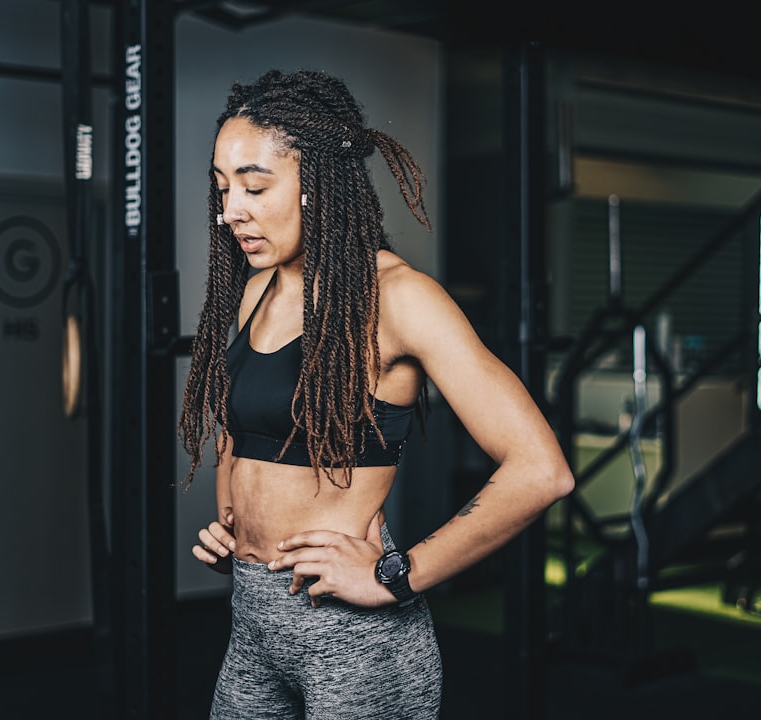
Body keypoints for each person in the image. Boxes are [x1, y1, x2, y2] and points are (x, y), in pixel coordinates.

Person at [179, 68, 574, 720]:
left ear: (318, 185)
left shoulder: (399, 298)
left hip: (352, 639)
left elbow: (542, 470)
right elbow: (240, 429)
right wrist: (235, 526)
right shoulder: (257, 288)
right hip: (251, 624)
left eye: (253, 186)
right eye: (222, 189)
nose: (231, 211)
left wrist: (396, 574)